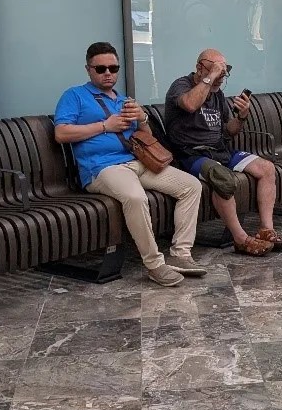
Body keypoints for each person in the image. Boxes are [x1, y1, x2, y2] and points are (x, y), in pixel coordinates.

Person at [54, 42, 205, 287]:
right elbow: (61, 133)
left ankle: (181, 254)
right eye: (101, 68)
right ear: (88, 69)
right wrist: (105, 126)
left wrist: (142, 118)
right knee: (136, 198)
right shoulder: (75, 96)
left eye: (113, 68)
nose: (108, 74)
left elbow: (144, 137)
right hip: (102, 168)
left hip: (136, 162)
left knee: (190, 185)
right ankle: (155, 265)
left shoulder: (124, 100)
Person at [164, 48, 282, 255]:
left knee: (267, 168)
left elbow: (229, 132)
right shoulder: (181, 85)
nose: (221, 77)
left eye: (224, 72)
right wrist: (210, 78)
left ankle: (267, 229)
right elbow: (191, 104)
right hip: (190, 155)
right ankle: (240, 239)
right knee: (221, 177)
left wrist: (242, 116)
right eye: (216, 70)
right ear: (199, 68)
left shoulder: (217, 94)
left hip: (220, 150)